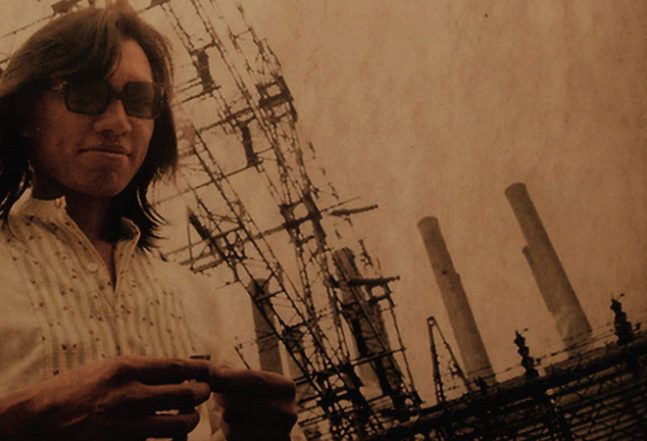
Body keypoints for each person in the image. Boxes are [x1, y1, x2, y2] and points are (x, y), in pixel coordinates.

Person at [0, 4, 297, 440]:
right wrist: (29, 416)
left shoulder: (193, 296)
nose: (117, 123)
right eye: (86, 93)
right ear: (26, 113)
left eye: (140, 101)